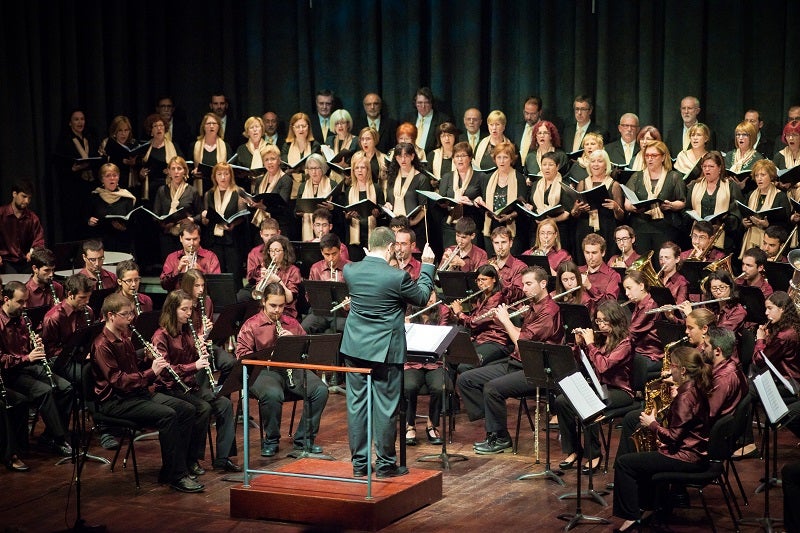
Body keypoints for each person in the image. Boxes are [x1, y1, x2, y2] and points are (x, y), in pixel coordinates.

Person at [340, 227, 436, 478]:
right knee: (385, 408)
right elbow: (422, 297)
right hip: (385, 351)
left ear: (368, 247)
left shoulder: (350, 270)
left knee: (356, 406)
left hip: (354, 347)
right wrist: (427, 265)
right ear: (392, 247)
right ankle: (385, 465)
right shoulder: (397, 277)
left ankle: (360, 465)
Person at [90, 292, 201, 492]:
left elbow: (133, 368)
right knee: (168, 415)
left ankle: (174, 468)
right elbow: (119, 381)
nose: (131, 318)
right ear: (110, 316)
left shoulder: (125, 337)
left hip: (136, 394)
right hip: (116, 401)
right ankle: (177, 476)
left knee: (187, 409)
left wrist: (147, 359)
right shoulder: (102, 345)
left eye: (131, 313)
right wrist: (152, 372)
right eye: (126, 314)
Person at [459, 266, 563, 454]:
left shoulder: (549, 311)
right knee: (466, 379)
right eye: (523, 284)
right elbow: (523, 334)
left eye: (529, 284)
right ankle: (493, 425)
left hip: (536, 370)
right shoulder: (533, 306)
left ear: (543, 284)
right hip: (517, 363)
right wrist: (501, 321)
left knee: (492, 388)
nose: (524, 288)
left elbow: (522, 342)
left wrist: (506, 321)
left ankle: (500, 438)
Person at [612, 346, 713, 532]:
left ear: (683, 370)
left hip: (687, 458)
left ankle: (632, 516)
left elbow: (674, 437)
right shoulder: (695, 388)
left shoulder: (685, 397)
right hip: (694, 452)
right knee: (643, 458)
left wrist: (652, 424)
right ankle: (649, 506)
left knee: (624, 463)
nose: (669, 370)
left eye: (672, 366)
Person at [236, 282, 329, 457]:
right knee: (272, 394)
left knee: (320, 390)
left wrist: (293, 342)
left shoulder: (291, 323)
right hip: (263, 371)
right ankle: (271, 440)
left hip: (290, 368)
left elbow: (307, 350)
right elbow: (241, 355)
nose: (277, 310)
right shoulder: (251, 325)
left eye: (281, 306)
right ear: (263, 302)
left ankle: (304, 440)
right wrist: (269, 354)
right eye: (273, 305)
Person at [152, 290, 240, 473]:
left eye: (190, 309)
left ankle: (223, 458)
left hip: (190, 386)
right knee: (203, 409)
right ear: (172, 310)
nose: (188, 313)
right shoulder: (161, 336)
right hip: (170, 389)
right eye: (184, 309)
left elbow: (192, 358)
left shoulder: (187, 331)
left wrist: (201, 349)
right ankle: (191, 459)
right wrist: (195, 365)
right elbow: (165, 371)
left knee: (224, 404)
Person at [557, 300, 635, 471]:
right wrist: (579, 345)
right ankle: (573, 450)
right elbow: (581, 364)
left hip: (620, 391)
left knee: (588, 403)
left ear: (615, 320)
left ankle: (594, 454)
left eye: (605, 320)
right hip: (600, 388)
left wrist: (590, 344)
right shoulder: (600, 339)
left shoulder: (625, 343)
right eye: (598, 321)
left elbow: (603, 366)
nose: (601, 325)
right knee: (562, 401)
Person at [1, 281, 73, 457]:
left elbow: (27, 345)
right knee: (45, 391)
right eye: (20, 302)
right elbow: (1, 358)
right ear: (6, 299)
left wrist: (35, 343)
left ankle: (49, 436)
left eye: (26, 301)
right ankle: (59, 439)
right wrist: (27, 357)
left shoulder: (23, 318)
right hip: (10, 373)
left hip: (29, 366)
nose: (24, 306)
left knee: (66, 388)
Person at [736, 291, 800, 458]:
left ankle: (748, 443)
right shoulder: (790, 327)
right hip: (784, 380)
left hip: (788, 383)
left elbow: (759, 360)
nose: (766, 313)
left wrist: (760, 339)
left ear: (782, 309)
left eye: (770, 308)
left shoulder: (785, 335)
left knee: (744, 391)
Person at [403, 291, 454, 446]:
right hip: (412, 361)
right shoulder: (407, 310)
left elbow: (440, 335)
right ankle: (410, 425)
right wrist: (405, 328)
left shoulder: (443, 310)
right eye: (426, 295)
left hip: (435, 361)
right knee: (409, 386)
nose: (430, 299)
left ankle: (432, 424)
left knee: (439, 387)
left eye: (432, 294)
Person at [623, 140, 686, 253]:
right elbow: (627, 202)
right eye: (647, 156)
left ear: (663, 157)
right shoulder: (637, 176)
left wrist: (671, 205)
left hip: (665, 227)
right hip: (641, 227)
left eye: (654, 155)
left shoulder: (673, 177)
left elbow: (682, 202)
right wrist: (633, 207)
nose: (650, 159)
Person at [450, 264, 512, 368]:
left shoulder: (497, 298)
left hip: (495, 340)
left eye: (484, 279)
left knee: (465, 366)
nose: (480, 283)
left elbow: (475, 322)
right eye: (478, 280)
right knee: (452, 358)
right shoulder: (482, 297)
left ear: (494, 279)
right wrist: (456, 315)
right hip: (480, 338)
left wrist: (460, 313)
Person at [475, 141, 530, 254]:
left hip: (512, 227)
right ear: (494, 159)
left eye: (505, 157)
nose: (502, 161)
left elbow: (523, 205)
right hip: (491, 227)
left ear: (511, 159)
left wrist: (510, 216)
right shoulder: (487, 178)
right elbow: (482, 200)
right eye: (499, 157)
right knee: (492, 262)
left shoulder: (519, 178)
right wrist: (478, 200)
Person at [685, 150, 744, 254]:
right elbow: (687, 209)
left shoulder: (730, 186)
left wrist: (722, 222)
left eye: (711, 166)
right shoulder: (695, 185)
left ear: (720, 168)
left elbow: (737, 213)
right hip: (698, 236)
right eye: (704, 166)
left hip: (723, 238)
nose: (707, 169)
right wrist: (692, 216)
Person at [573, 149, 626, 258]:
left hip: (606, 228)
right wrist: (577, 209)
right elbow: (574, 214)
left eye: (600, 161)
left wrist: (616, 207)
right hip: (585, 228)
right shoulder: (582, 183)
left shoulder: (614, 185)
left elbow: (621, 217)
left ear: (606, 165)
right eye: (593, 161)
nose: (596, 164)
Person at [200, 162, 247, 287]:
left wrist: (234, 224)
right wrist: (204, 217)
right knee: (217, 273)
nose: (223, 177)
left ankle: (236, 297)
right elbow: (206, 221)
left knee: (234, 274)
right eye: (219, 174)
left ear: (231, 175)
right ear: (214, 176)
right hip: (214, 240)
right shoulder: (209, 194)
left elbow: (243, 216)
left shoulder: (238, 192)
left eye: (226, 174)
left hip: (232, 239)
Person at [41, 273, 94, 382]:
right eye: (82, 297)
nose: (87, 301)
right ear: (70, 294)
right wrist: (77, 355)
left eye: (89, 297)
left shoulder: (88, 311)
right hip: (62, 360)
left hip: (83, 355)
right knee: (89, 375)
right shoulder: (53, 317)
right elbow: (50, 351)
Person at [151, 156, 204, 259]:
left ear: (185, 171)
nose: (176, 172)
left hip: (187, 236)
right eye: (173, 169)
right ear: (168, 172)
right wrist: (163, 224)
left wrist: (192, 219)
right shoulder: (162, 190)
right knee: (170, 265)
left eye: (179, 168)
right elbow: (155, 215)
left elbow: (201, 214)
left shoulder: (192, 191)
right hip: (167, 235)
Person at [436, 141, 485, 249]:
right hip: (450, 226)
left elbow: (484, 203)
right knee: (450, 256)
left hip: (472, 226)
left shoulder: (480, 177)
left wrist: (471, 202)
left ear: (470, 158)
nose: (460, 159)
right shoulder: (447, 177)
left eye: (463, 156)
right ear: (453, 159)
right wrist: (446, 203)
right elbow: (441, 200)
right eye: (457, 156)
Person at [301, 233, 351, 334]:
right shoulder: (316, 268)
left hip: (342, 313)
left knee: (340, 328)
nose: (331, 258)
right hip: (321, 312)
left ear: (340, 250)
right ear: (322, 252)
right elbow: (309, 297)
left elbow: (357, 293)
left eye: (334, 254)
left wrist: (349, 304)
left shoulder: (350, 267)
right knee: (304, 327)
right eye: (327, 254)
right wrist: (323, 289)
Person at [526, 151, 573, 256]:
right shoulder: (536, 184)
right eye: (544, 164)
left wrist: (552, 220)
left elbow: (567, 212)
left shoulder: (564, 185)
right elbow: (532, 204)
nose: (547, 168)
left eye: (551, 165)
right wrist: (529, 207)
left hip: (558, 229)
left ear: (557, 166)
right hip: (537, 228)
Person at [739, 159, 790, 256]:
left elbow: (785, 226)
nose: (759, 178)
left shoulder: (780, 196)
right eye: (756, 175)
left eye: (763, 175)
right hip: (750, 240)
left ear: (771, 176)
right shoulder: (750, 195)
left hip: (770, 245)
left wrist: (768, 225)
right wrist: (744, 223)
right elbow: (744, 216)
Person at [385, 142, 430, 246]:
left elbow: (424, 208)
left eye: (406, 156)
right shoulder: (392, 177)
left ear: (412, 156)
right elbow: (389, 199)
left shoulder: (421, 178)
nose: (403, 159)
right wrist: (387, 205)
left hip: (414, 229)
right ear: (396, 158)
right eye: (399, 156)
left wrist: (412, 223)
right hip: (394, 228)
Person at [88, 163, 137, 253]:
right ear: (102, 179)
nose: (112, 178)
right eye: (108, 176)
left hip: (122, 243)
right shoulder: (95, 196)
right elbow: (86, 218)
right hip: (100, 244)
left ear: (118, 177)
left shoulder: (126, 197)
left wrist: (123, 228)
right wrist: (90, 221)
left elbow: (133, 224)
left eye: (115, 175)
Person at [246, 144, 293, 235]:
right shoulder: (259, 180)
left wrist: (264, 207)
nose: (269, 162)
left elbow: (282, 207)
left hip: (279, 225)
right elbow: (256, 199)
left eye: (273, 159)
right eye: (266, 160)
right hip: (261, 225)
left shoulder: (286, 180)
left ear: (279, 161)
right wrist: (251, 203)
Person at [160, 222, 221, 291]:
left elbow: (216, 286)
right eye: (188, 239)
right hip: (179, 297)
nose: (192, 243)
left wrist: (201, 271)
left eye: (195, 239)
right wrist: (177, 269)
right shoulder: (172, 257)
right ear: (181, 238)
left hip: (202, 296)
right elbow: (164, 286)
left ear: (199, 238)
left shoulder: (211, 256)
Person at [0, 181, 46, 274]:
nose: (27, 201)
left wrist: (32, 251)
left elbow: (39, 240)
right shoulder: (1, 214)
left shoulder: (32, 218)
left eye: (29, 198)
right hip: (6, 261)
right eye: (24, 196)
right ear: (14, 194)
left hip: (26, 261)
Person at [623, 270, 663, 374]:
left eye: (629, 288)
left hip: (649, 355)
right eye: (625, 289)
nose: (626, 293)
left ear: (641, 286)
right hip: (639, 352)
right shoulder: (639, 303)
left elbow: (632, 333)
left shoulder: (649, 306)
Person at [252, 235, 301, 319]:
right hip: (266, 310)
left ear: (285, 252)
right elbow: (257, 295)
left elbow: (289, 299)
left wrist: (278, 281)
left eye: (277, 250)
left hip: (285, 311)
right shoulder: (265, 267)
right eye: (271, 251)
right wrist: (263, 279)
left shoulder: (293, 270)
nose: (273, 254)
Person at [140, 113, 183, 205]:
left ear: (165, 128)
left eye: (161, 125)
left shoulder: (174, 146)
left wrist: (171, 171)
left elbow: (183, 166)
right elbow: (139, 169)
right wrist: (141, 174)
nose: (159, 128)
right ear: (151, 131)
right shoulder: (145, 148)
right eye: (155, 126)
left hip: (168, 187)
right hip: (150, 188)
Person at [343, 152, 384, 248]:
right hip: (354, 239)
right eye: (357, 168)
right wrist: (348, 217)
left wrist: (377, 214)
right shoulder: (349, 190)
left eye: (363, 167)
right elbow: (345, 215)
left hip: (373, 236)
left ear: (368, 170)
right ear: (353, 171)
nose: (359, 170)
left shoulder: (376, 188)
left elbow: (383, 212)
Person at [281, 112, 321, 204]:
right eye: (297, 126)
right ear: (292, 128)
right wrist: (288, 171)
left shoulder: (315, 145)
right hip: (291, 187)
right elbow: (283, 167)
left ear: (308, 127)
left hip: (312, 186)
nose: (301, 129)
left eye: (304, 126)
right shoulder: (287, 146)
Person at [579, 233, 621, 317]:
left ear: (603, 253)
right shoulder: (578, 271)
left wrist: (590, 287)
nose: (590, 257)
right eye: (587, 253)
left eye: (594, 253)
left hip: (601, 320)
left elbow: (610, 305)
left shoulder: (613, 275)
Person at [296, 153, 337, 241]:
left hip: (328, 230)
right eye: (311, 168)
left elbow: (339, 212)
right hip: (307, 227)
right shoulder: (303, 187)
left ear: (323, 168)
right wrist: (299, 213)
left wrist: (332, 208)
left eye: (317, 168)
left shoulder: (332, 185)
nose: (313, 172)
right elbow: (296, 210)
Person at [190, 113, 232, 195]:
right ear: (203, 127)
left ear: (218, 127)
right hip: (200, 189)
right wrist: (193, 172)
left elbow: (230, 169)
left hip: (220, 190)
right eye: (208, 123)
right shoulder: (194, 146)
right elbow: (189, 167)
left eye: (214, 123)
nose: (211, 126)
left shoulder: (225, 146)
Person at [406, 87, 450, 153]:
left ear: (431, 103)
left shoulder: (442, 120)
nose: (423, 106)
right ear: (415, 103)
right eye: (419, 103)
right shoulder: (408, 119)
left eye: (426, 103)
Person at [489, 226, 526, 302]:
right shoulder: (488, 264)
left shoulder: (520, 267)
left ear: (511, 243)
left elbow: (519, 295)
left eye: (503, 242)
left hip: (508, 307)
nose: (500, 247)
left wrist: (498, 277)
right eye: (496, 243)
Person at [514, 95, 544, 164]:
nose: (529, 117)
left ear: (540, 112)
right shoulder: (517, 128)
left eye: (533, 114)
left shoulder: (545, 129)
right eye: (526, 113)